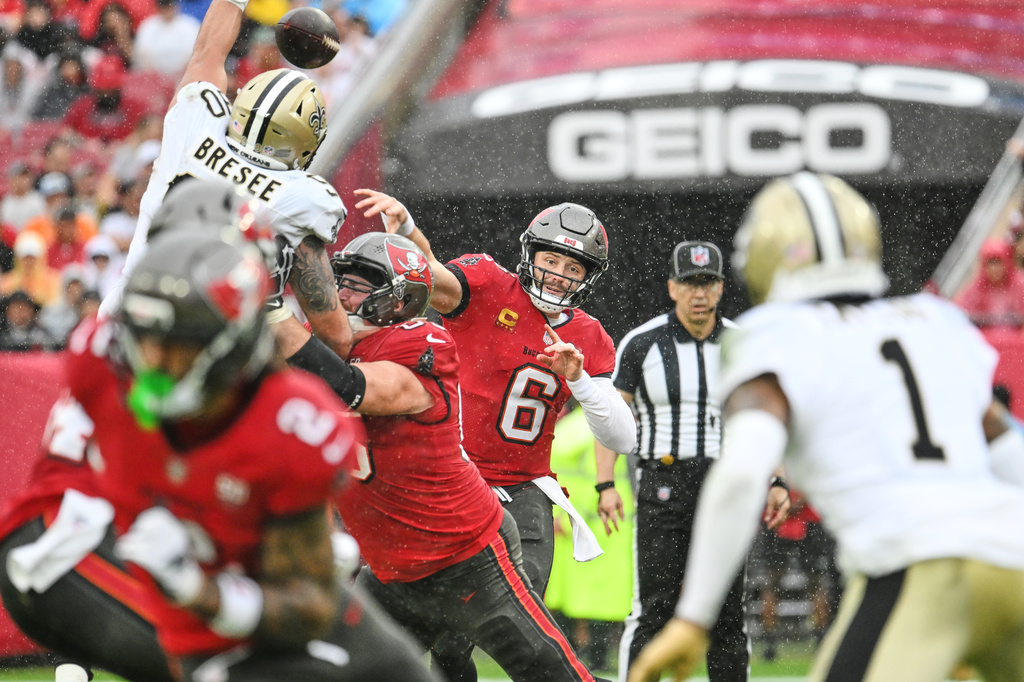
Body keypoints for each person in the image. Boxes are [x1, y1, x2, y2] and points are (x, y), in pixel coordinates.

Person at [627, 172, 1024, 682]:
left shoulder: (774, 337)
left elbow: (743, 474)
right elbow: (1006, 446)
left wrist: (692, 617)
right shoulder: (933, 320)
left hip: (915, 566)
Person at [0, 224, 435, 682]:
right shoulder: (102, 364)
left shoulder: (294, 427)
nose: (151, 361)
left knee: (397, 671)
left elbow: (308, 602)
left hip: (217, 567)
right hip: (81, 552)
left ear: (233, 341)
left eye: (176, 343)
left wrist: (209, 594)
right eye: (142, 335)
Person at [274, 231, 604, 682]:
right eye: (341, 280)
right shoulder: (328, 344)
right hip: (394, 564)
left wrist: (268, 309)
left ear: (400, 299)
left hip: (465, 556)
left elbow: (345, 385)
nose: (343, 293)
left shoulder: (419, 344)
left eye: (362, 282)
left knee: (551, 675)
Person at [354, 190, 637, 679]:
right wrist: (407, 230)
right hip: (449, 485)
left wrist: (579, 379)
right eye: (552, 259)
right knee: (432, 646)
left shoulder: (588, 336)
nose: (559, 275)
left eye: (574, 268)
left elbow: (622, 435)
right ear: (530, 255)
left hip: (525, 497)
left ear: (588, 279)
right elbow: (431, 278)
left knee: (516, 643)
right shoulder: (487, 283)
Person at [98, 0, 351, 362]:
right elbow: (336, 336)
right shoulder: (302, 199)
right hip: (205, 356)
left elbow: (207, 53)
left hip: (122, 322)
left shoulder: (193, 126)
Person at [596, 241, 790, 682]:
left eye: (707, 283)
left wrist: (778, 479)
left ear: (721, 288)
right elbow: (612, 419)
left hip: (725, 482)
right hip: (663, 483)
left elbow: (765, 416)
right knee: (655, 607)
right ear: (672, 287)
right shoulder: (643, 343)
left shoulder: (743, 344)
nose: (698, 293)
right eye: (689, 283)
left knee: (725, 609)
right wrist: (605, 485)